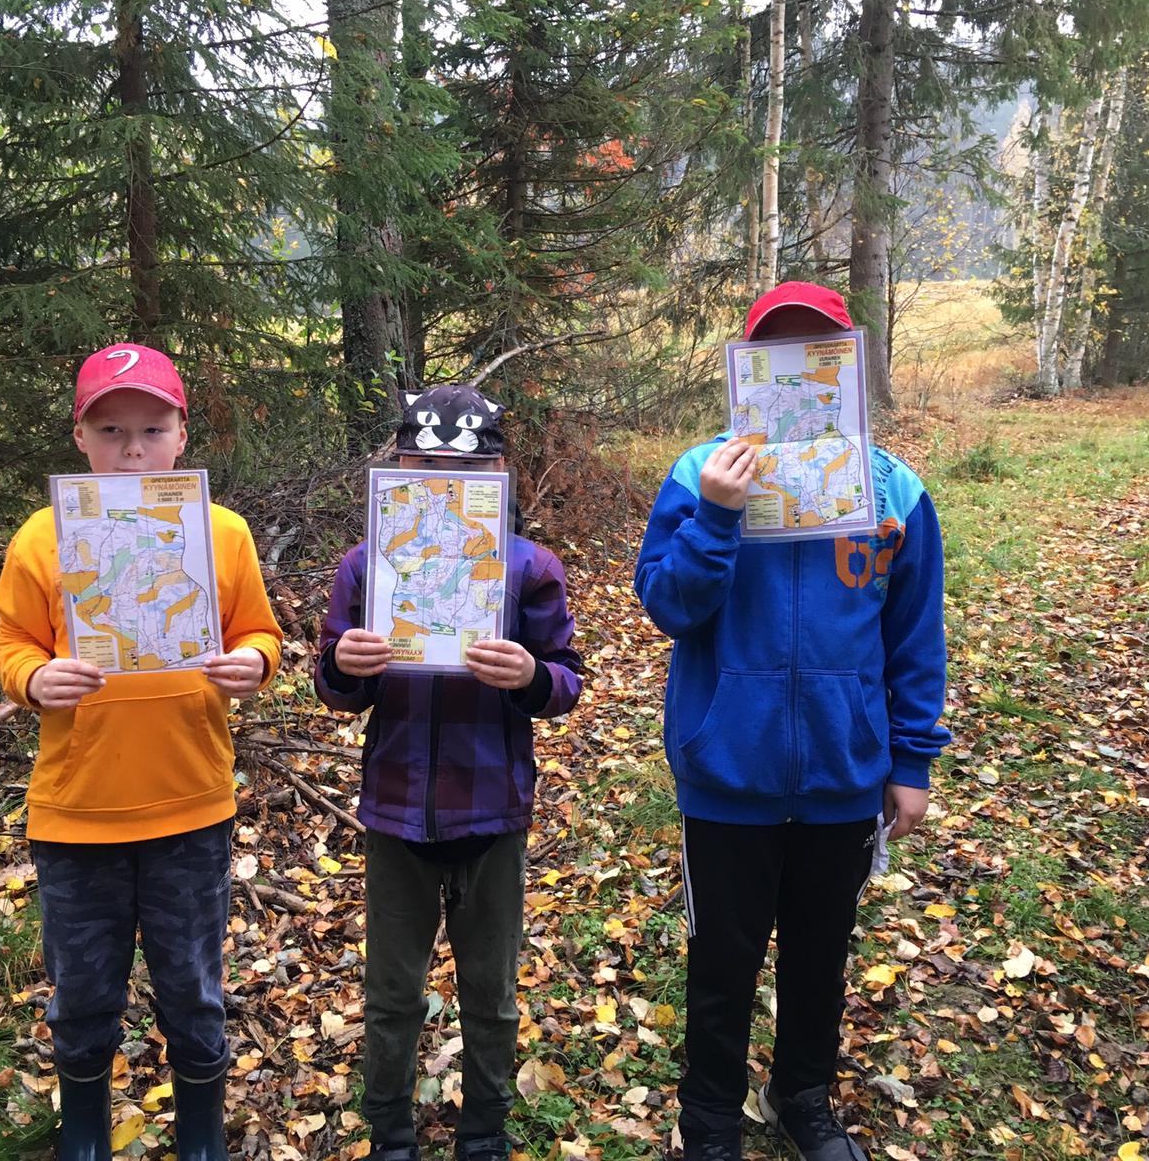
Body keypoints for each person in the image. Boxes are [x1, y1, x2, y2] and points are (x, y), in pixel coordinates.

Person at [633, 283, 951, 1161]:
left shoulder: (892, 489)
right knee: (722, 961)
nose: (801, 372)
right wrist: (718, 515)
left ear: (846, 364)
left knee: (820, 955)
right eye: (780, 352)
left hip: (844, 772)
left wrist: (911, 762)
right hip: (727, 770)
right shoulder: (701, 474)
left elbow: (914, 636)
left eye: (820, 351)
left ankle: (802, 1095)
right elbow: (669, 605)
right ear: (749, 366)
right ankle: (708, 1120)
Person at [0, 343, 284, 1161]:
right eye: (111, 431)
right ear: (79, 438)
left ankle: (201, 1135)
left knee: (193, 989)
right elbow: (12, 644)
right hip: (76, 815)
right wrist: (33, 678)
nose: (132, 451)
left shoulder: (221, 533)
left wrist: (253, 663)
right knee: (84, 993)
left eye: (152, 430)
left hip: (190, 807)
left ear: (182, 435)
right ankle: (85, 1132)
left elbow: (260, 632)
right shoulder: (43, 538)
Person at [315, 385, 583, 1161]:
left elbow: (566, 680)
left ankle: (485, 1128)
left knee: (491, 992)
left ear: (498, 472)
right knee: (392, 991)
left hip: (491, 810)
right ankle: (391, 1128)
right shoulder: (367, 566)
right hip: (396, 812)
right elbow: (334, 686)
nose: (442, 480)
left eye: (465, 468)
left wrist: (531, 676)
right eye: (424, 464)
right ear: (398, 466)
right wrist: (343, 666)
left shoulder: (528, 567)